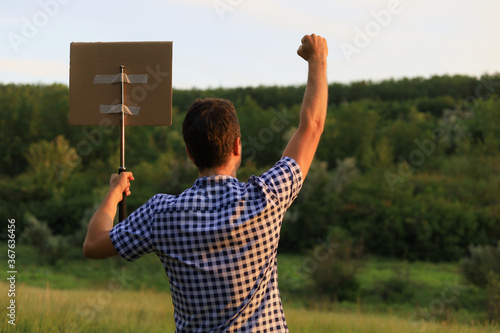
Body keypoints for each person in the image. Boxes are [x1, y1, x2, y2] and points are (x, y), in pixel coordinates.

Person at [83, 33, 328, 332]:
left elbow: (94, 244)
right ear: (237, 146)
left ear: (189, 152)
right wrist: (318, 60)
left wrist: (113, 193)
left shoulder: (161, 213)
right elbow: (312, 126)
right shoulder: (267, 197)